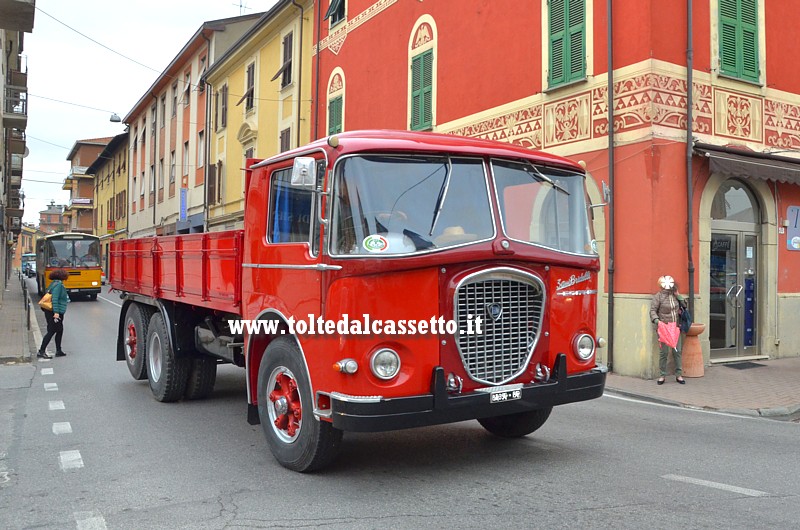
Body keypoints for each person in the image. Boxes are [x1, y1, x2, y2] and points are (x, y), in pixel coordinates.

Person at [649, 275, 685, 385]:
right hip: (664, 327)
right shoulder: (658, 297)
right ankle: (662, 375)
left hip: (675, 326)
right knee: (663, 352)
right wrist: (657, 321)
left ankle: (679, 374)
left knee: (677, 351)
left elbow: (684, 306)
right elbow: (653, 310)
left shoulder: (674, 296)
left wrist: (678, 296)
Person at [37, 269, 71, 359]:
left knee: (59, 330)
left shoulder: (53, 283)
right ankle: (41, 351)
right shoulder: (58, 285)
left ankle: (59, 350)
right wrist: (56, 313)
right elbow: (54, 299)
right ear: (62, 276)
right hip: (54, 311)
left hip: (51, 311)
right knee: (51, 331)